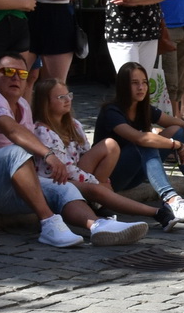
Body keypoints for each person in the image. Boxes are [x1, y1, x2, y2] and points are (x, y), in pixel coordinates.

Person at [0, 54, 147, 247]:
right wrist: (49, 154)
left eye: (22, 74)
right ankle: (49, 223)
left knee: (64, 187)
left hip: (4, 186)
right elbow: (13, 131)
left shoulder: (22, 104)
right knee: (16, 152)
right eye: (8, 71)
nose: (16, 78)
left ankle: (97, 226)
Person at [94, 61, 184, 222]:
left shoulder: (144, 108)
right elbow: (140, 138)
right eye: (134, 83)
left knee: (177, 131)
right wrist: (176, 145)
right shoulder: (111, 111)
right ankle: (171, 199)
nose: (141, 87)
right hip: (111, 177)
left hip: (135, 174)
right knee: (148, 141)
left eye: (144, 82)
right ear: (123, 86)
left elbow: (183, 125)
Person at [29, 76, 175, 229]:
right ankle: (156, 213)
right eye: (61, 97)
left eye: (69, 95)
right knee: (97, 189)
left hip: (78, 173)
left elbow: (86, 153)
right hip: (59, 179)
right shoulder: (42, 131)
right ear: (45, 103)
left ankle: (97, 203)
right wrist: (97, 183)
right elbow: (67, 170)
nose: (67, 100)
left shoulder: (74, 125)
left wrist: (99, 181)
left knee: (110, 145)